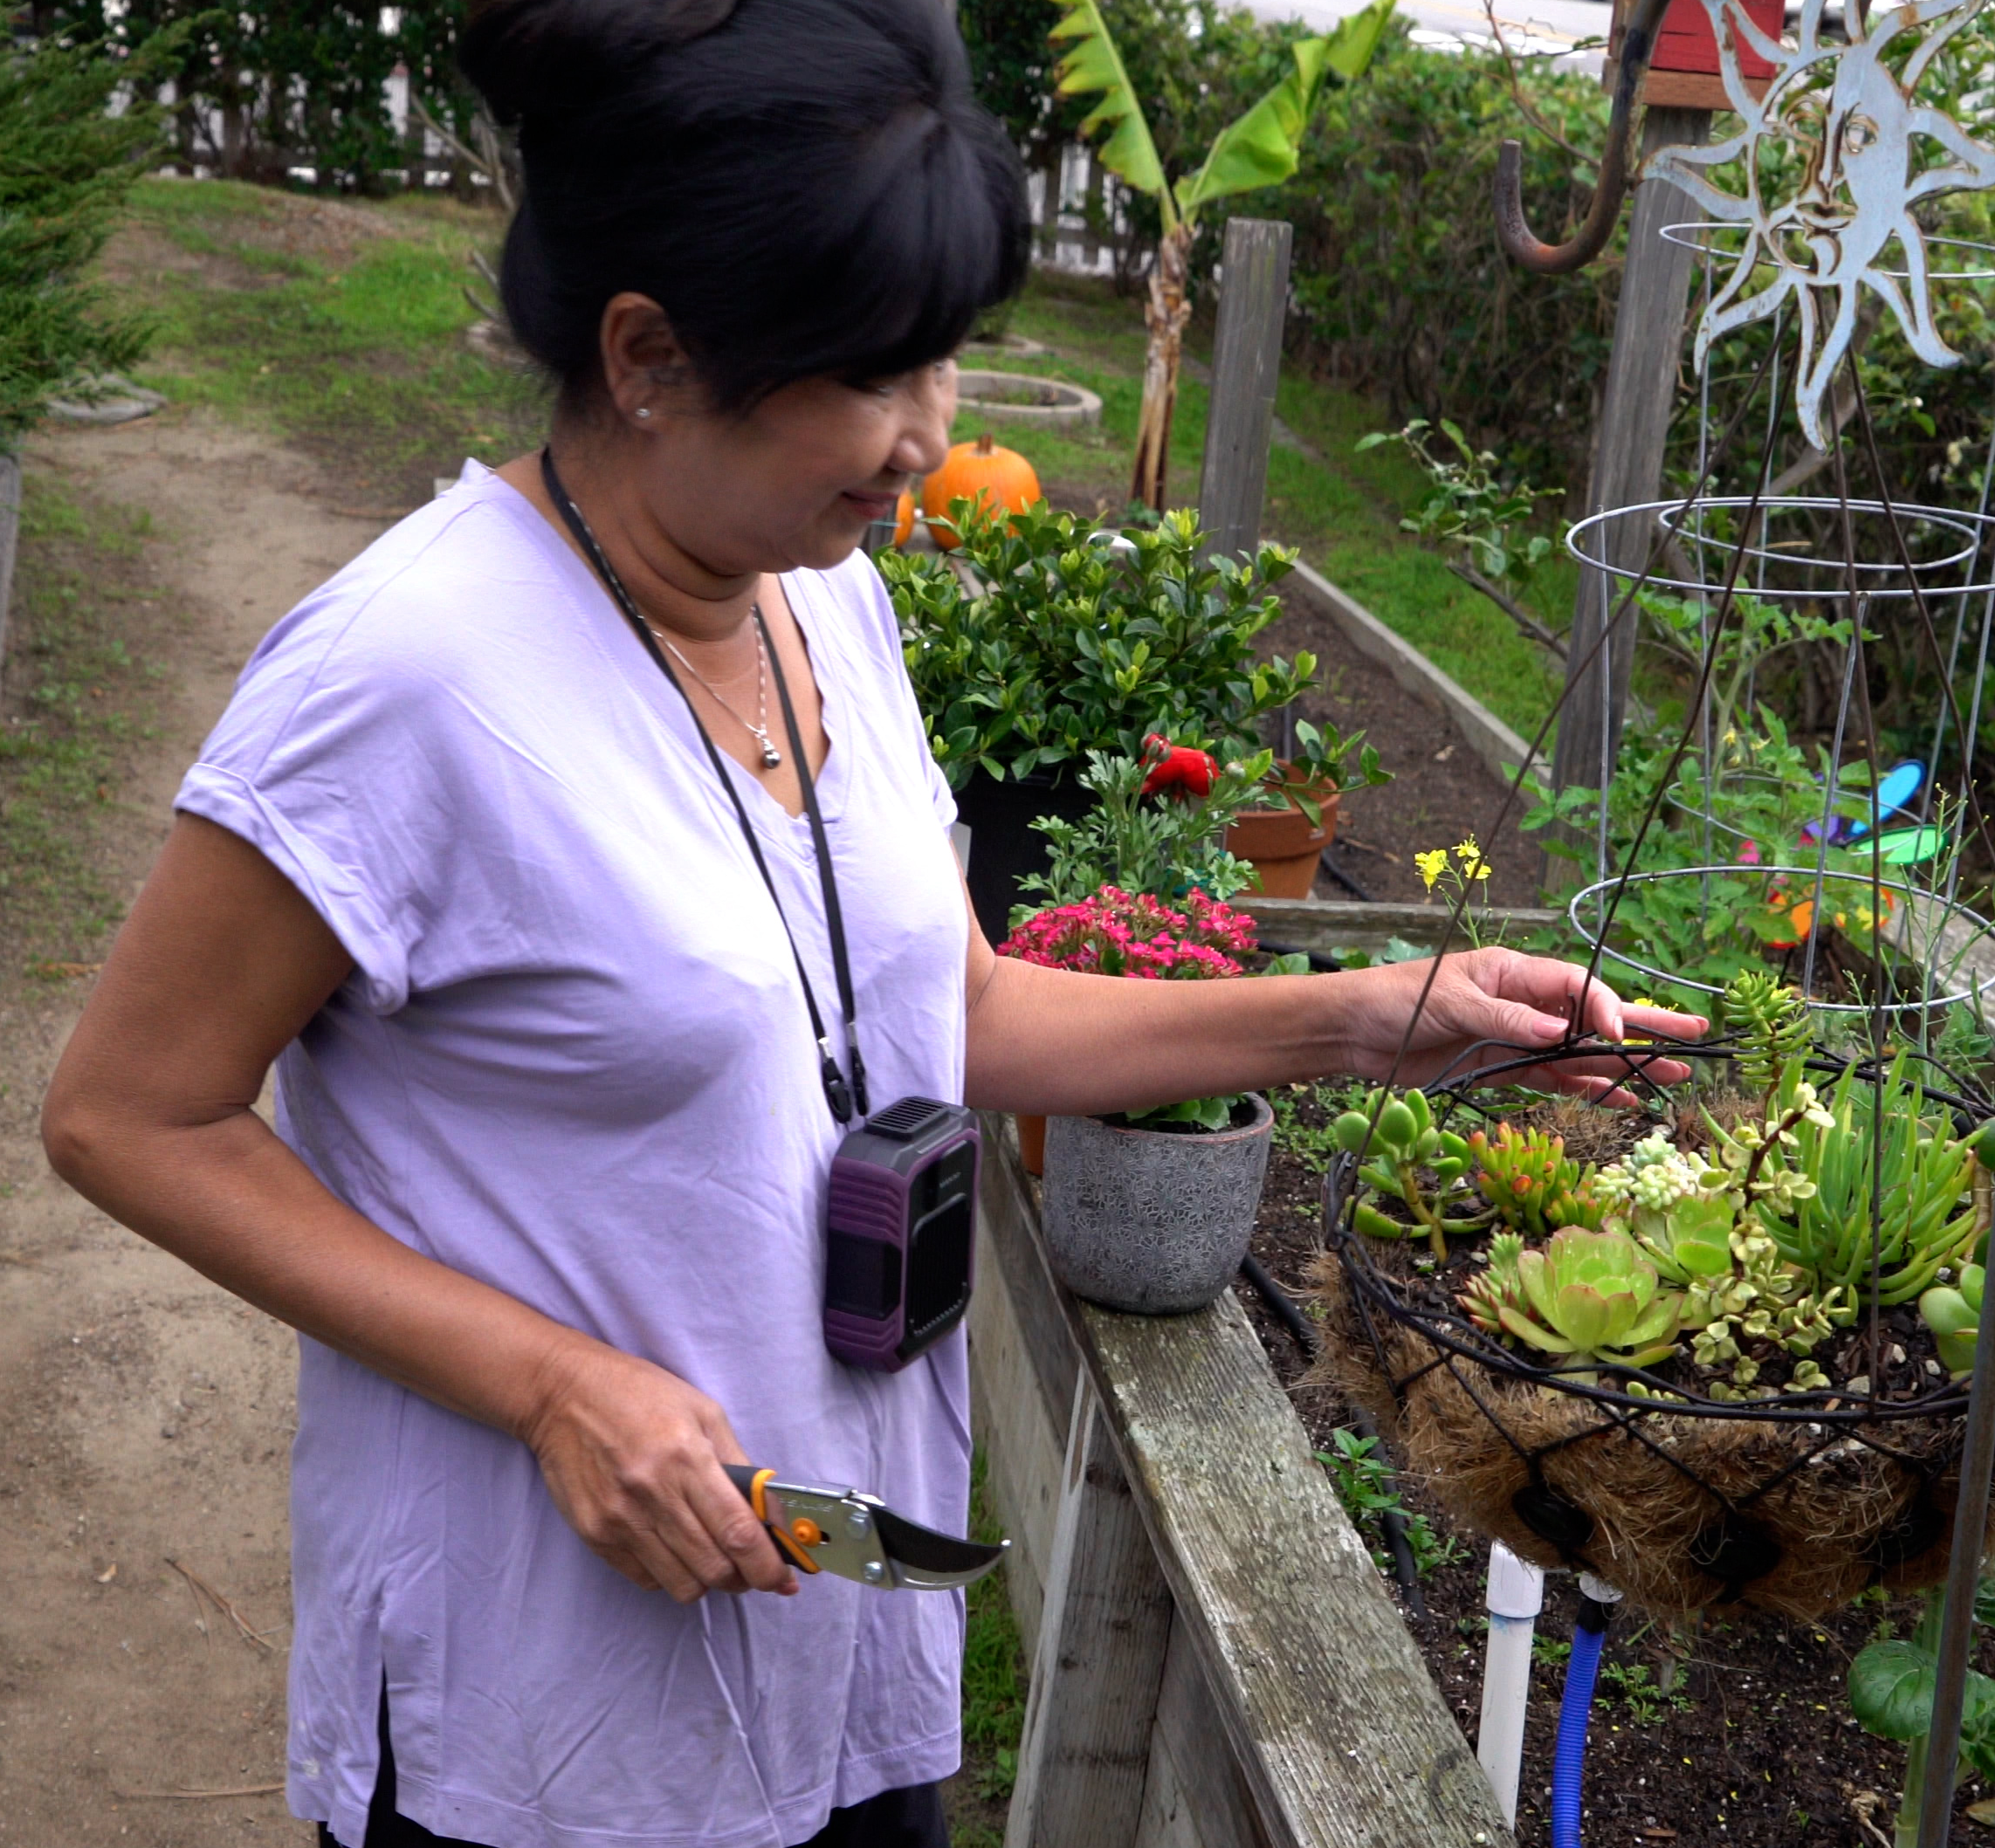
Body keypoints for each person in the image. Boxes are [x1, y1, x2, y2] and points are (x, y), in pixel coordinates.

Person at [38, 1, 1703, 1843]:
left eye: (950, 357)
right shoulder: (403, 678)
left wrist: (1377, 1008)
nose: (925, 437)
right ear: (651, 354)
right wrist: (553, 1385)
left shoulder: (819, 600)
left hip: (840, 1616)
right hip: (550, 1707)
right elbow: (127, 1113)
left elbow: (951, 1015)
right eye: (868, 370)